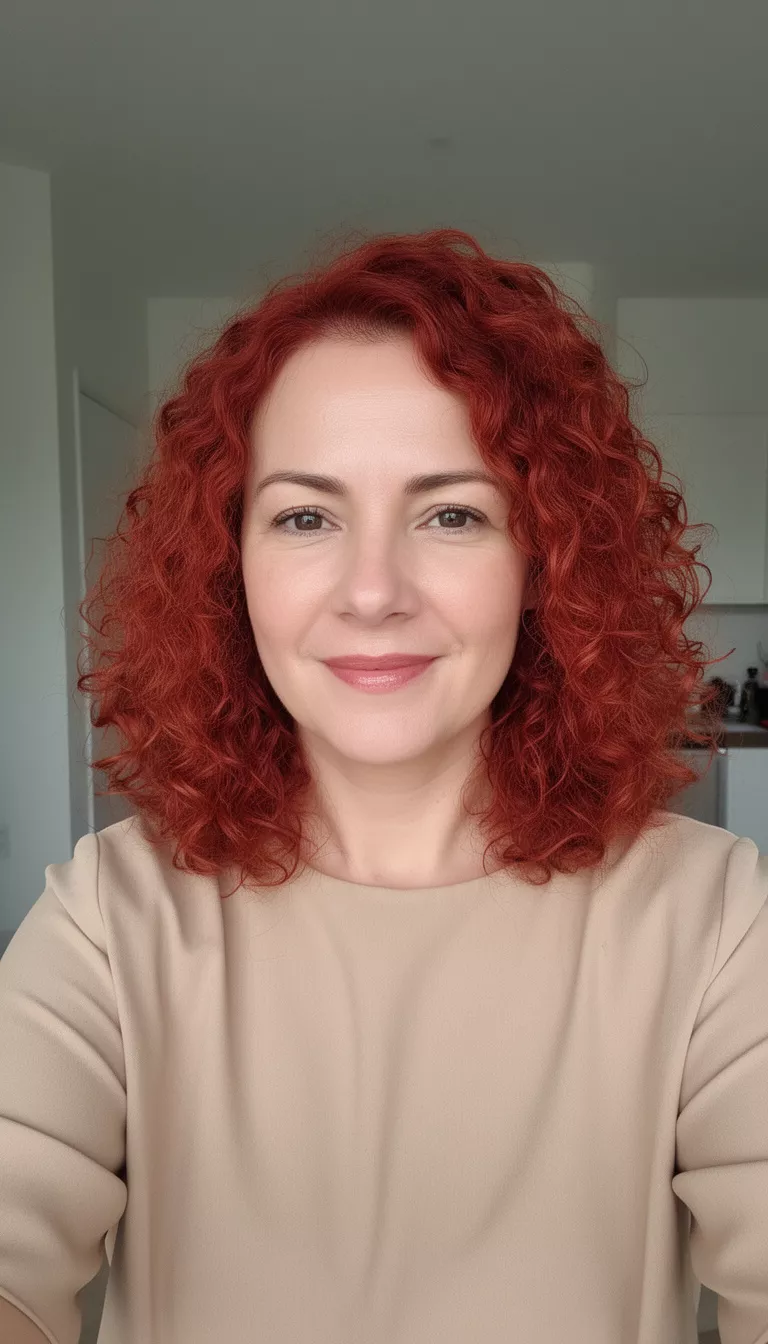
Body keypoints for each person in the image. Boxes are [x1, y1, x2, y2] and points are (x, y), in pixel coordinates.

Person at [0, 228, 766, 1344]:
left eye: (451, 513)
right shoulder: (112, 917)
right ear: (231, 569)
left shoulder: (713, 918)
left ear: (542, 562)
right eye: (306, 515)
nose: (372, 592)